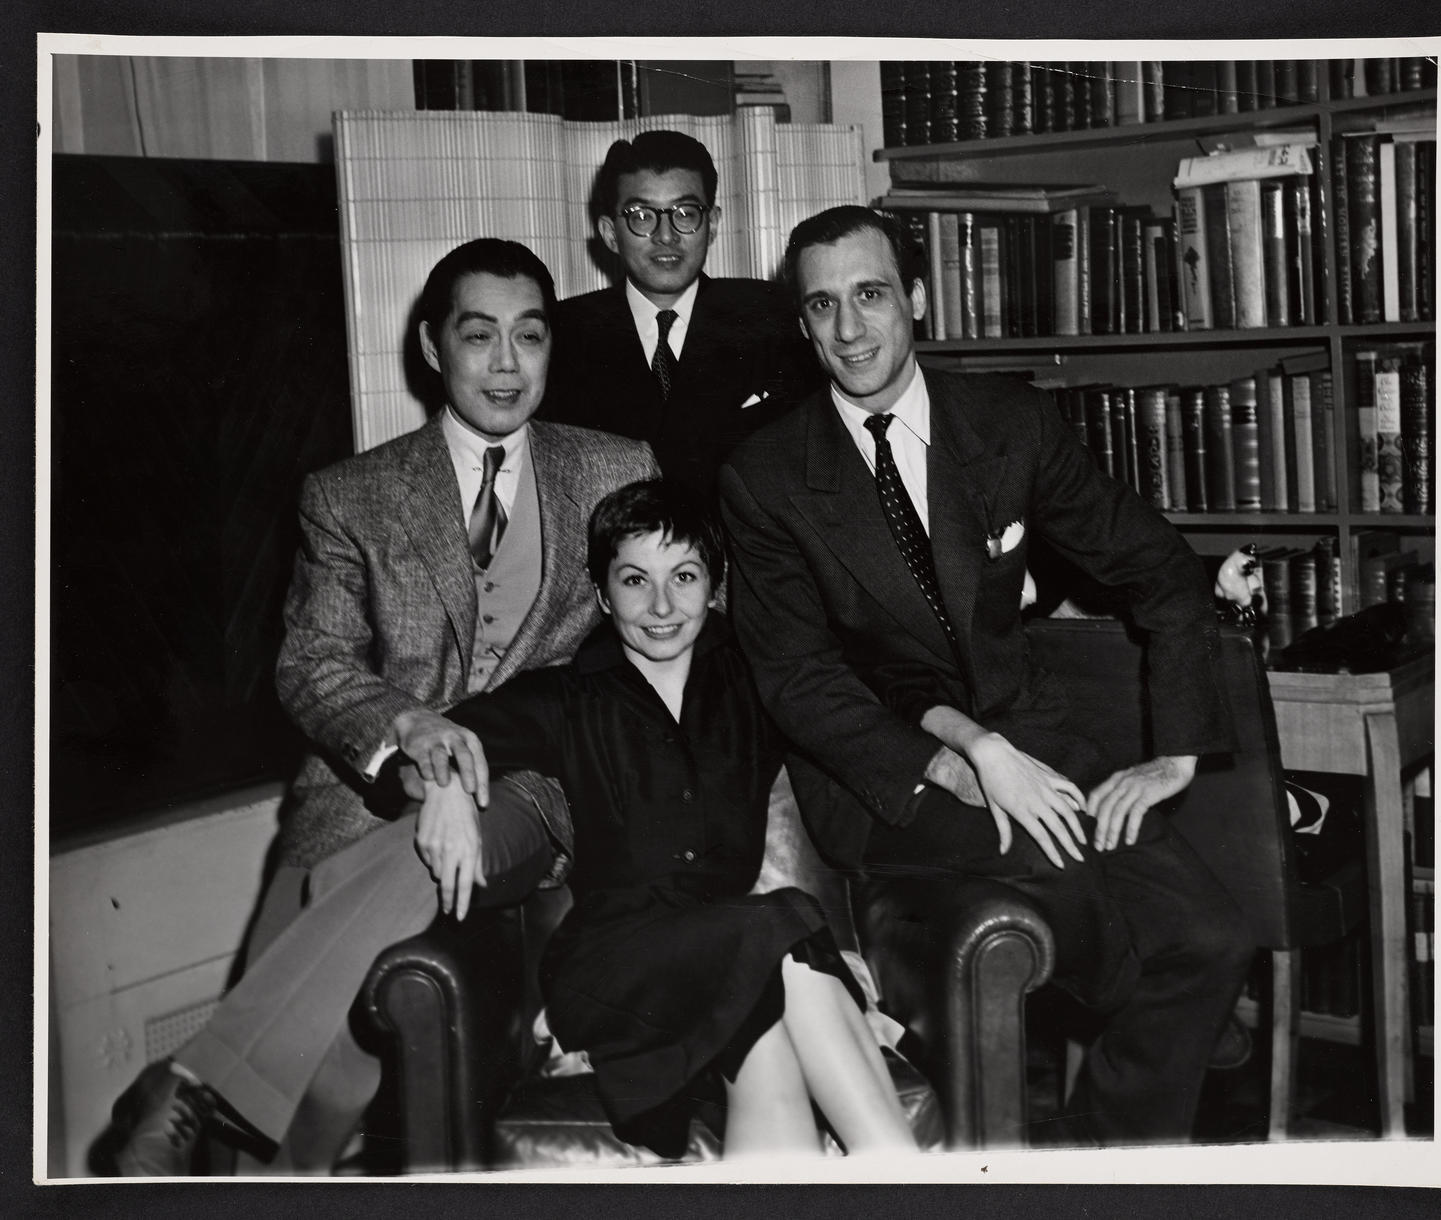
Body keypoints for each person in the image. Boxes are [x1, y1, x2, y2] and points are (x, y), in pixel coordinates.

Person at [105, 238, 657, 1175]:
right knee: (311, 1067)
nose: (508, 364)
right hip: (356, 803)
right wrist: (410, 730)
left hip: (534, 789)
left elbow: (672, 624)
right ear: (432, 347)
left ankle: (193, 1082)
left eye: (530, 336)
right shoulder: (350, 494)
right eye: (479, 336)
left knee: (332, 974)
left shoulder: (614, 470)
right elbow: (312, 663)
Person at [718, 205, 1256, 1146]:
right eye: (823, 307)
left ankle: (1101, 1172)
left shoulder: (1009, 422)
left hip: (1036, 739)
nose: (850, 331)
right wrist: (962, 761)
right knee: (1137, 921)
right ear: (801, 325)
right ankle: (1148, 1005)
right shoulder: (764, 475)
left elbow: (1158, 567)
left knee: (1214, 936)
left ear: (917, 298)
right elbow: (801, 681)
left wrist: (1178, 753)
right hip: (888, 778)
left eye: (872, 295)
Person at [412, 479, 917, 1159]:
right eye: (633, 580)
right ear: (601, 594)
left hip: (730, 957)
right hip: (613, 966)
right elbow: (423, 747)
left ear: (716, 586)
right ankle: (904, 1178)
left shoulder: (757, 684)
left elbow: (875, 700)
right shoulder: (566, 698)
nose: (660, 606)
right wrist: (443, 778)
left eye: (684, 577)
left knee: (766, 1044)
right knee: (785, 916)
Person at [544, 129, 819, 500]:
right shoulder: (562, 333)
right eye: (641, 216)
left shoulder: (775, 314)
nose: (666, 236)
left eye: (685, 213)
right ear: (610, 233)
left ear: (714, 223)